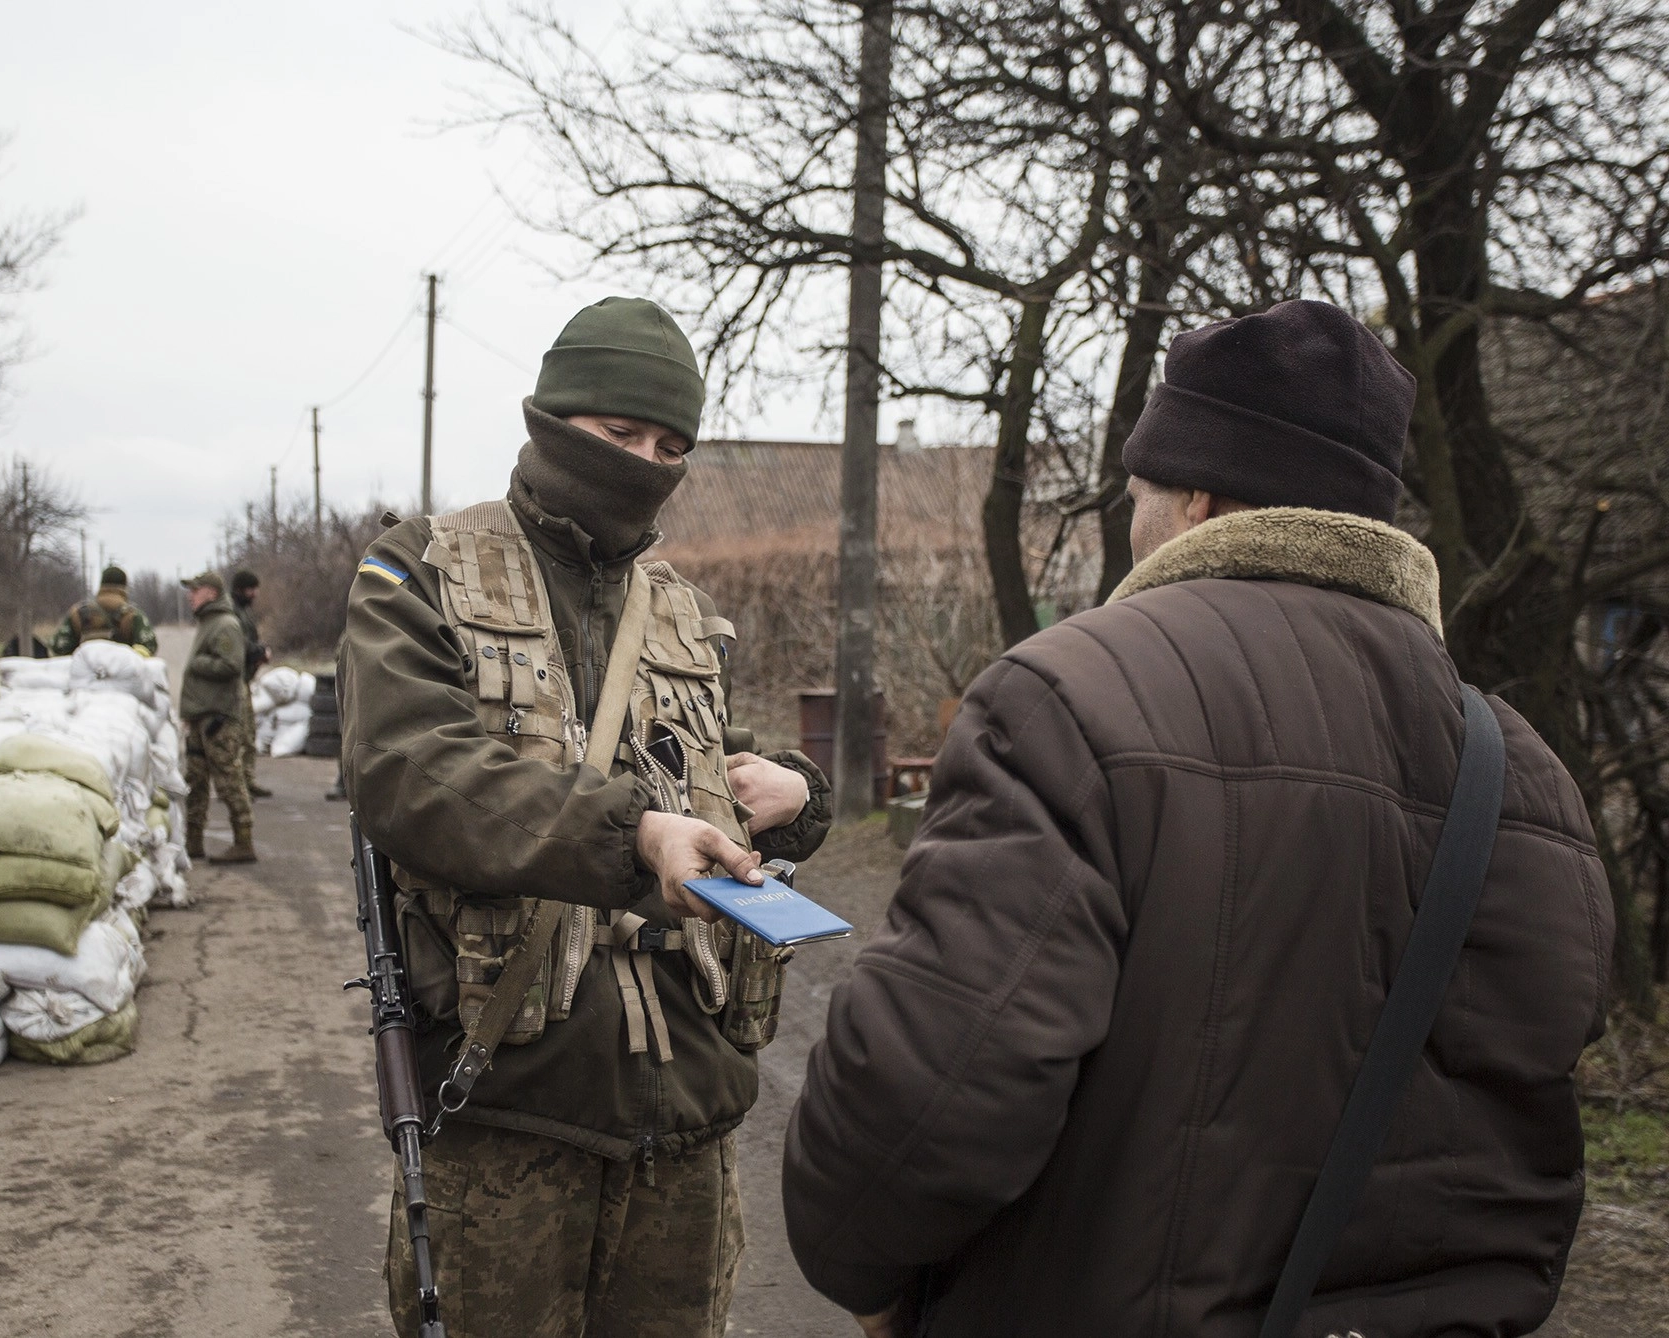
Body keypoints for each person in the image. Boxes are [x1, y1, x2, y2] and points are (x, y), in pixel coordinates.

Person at [782, 300, 1614, 1337]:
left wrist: (864, 1264)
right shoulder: (1520, 770)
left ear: (1192, 500)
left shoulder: (1069, 700)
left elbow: (929, 1097)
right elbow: (1525, 1136)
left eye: (1136, 492)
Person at [341, 296, 833, 1338]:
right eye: (618, 436)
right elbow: (410, 773)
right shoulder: (414, 571)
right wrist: (634, 837)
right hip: (509, 1113)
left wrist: (792, 792)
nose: (645, 463)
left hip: (688, 1123)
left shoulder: (686, 614)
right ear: (551, 421)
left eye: (670, 445)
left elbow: (715, 765)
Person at [179, 570, 255, 864]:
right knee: (195, 781)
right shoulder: (208, 622)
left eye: (194, 590)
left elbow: (231, 665)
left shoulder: (225, 624)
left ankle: (243, 840)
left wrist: (198, 663)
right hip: (201, 717)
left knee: (228, 779)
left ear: (210, 592)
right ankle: (193, 841)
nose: (190, 596)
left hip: (218, 719)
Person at [230, 570, 273, 799]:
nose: (255, 594)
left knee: (250, 733)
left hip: (244, 680)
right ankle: (239, 785)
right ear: (241, 589)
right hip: (235, 682)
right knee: (242, 734)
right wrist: (258, 652)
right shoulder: (233, 611)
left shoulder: (244, 611)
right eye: (251, 589)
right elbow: (239, 643)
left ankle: (247, 780)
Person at [49, 564, 158, 655]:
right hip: (122, 678)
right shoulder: (132, 615)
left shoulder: (78, 613)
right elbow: (149, 646)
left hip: (83, 677)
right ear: (124, 587)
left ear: (101, 585)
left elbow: (58, 646)